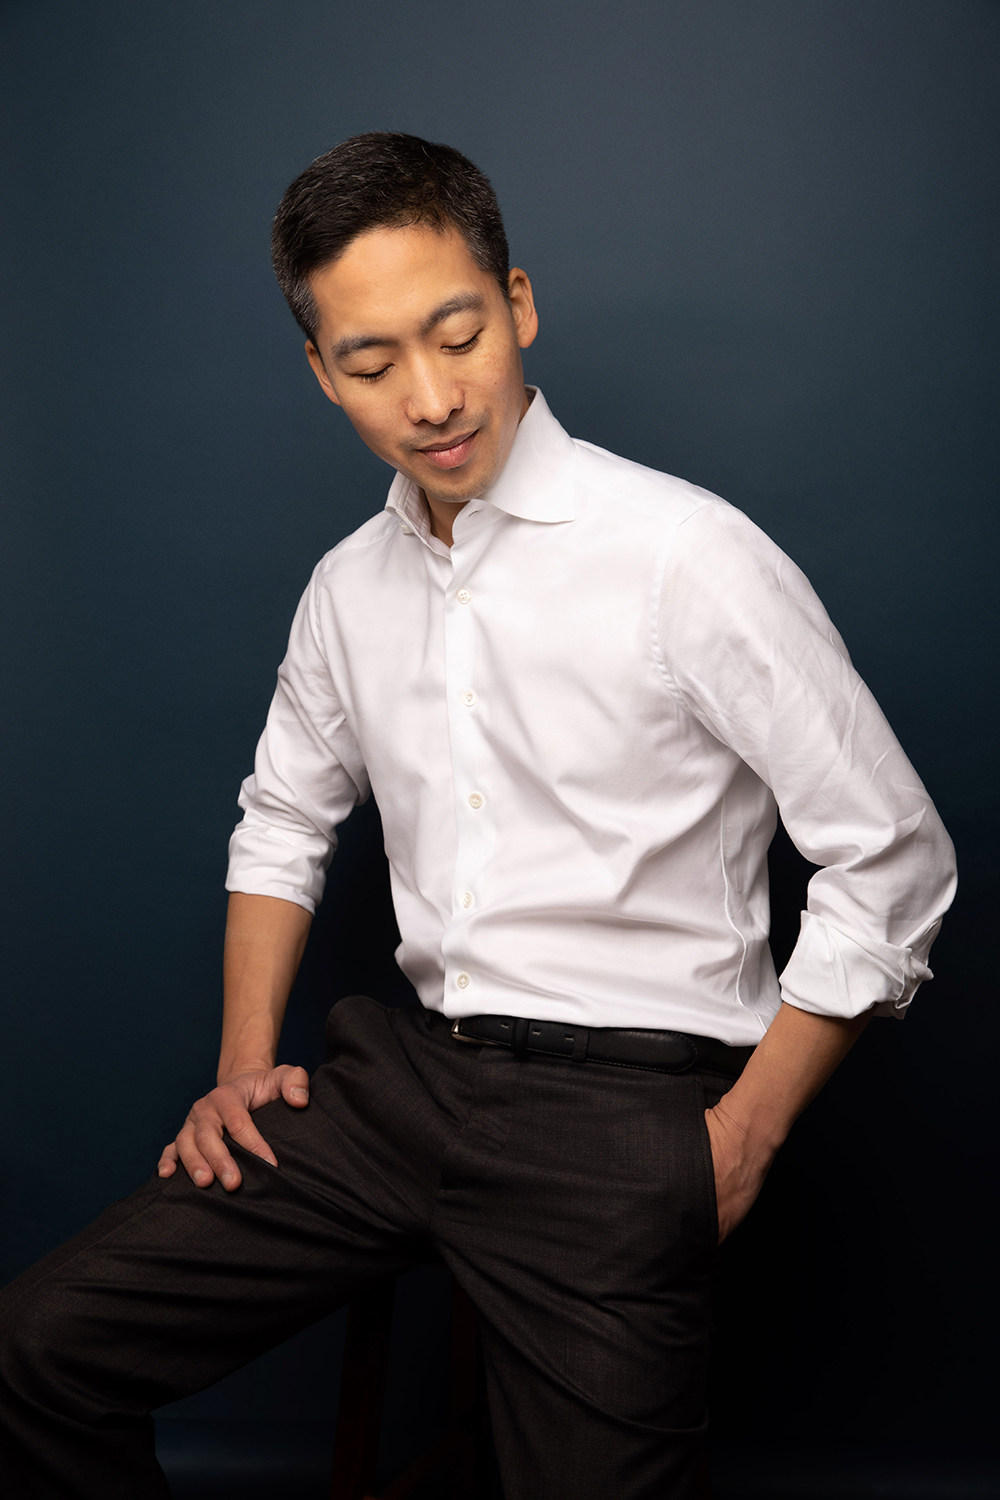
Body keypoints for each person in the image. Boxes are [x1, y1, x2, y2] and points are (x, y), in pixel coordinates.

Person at [0, 132, 956, 1500]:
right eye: (374, 362)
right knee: (37, 1352)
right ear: (324, 373)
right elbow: (280, 821)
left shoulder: (684, 554)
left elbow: (896, 857)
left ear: (518, 304)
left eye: (458, 334)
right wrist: (238, 1064)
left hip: (628, 1116)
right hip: (402, 1087)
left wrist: (740, 1139)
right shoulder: (347, 587)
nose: (433, 398)